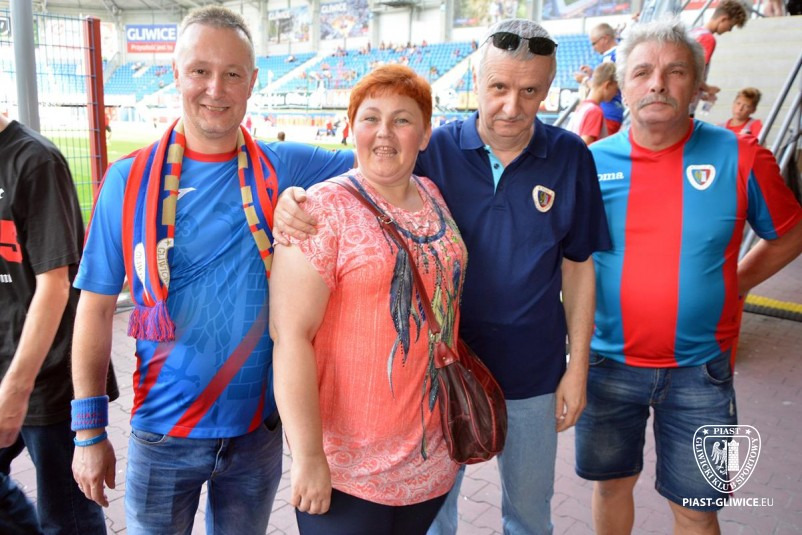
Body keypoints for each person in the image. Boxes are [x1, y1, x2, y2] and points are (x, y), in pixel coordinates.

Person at [274, 19, 611, 535]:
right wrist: (290, 199)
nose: (511, 106)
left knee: (528, 517)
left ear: (550, 87)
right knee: (436, 522)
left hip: (532, 373)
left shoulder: (571, 157)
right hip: (435, 385)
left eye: (529, 91)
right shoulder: (436, 149)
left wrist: (578, 367)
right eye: (498, 87)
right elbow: (366, 166)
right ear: (476, 83)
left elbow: (579, 265)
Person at [69, 6, 353, 535]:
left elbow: (385, 157)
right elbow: (95, 307)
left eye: (232, 74)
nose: (215, 89)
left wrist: (299, 194)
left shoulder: (285, 167)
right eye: (200, 70)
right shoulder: (127, 181)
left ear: (253, 82)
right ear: (175, 73)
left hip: (258, 433)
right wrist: (88, 431)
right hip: (162, 435)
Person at [576, 19, 802, 535]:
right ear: (624, 84)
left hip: (702, 371)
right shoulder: (589, 163)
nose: (657, 83)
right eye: (642, 72)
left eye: (675, 71)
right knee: (610, 487)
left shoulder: (741, 156)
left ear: (698, 85)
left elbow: (790, 233)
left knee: (698, 510)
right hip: (607, 365)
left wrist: (738, 283)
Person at [270, 64, 464, 534]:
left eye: (402, 120)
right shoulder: (321, 209)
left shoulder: (433, 194)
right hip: (348, 469)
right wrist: (308, 456)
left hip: (431, 458)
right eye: (371, 118)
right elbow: (290, 336)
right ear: (350, 128)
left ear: (425, 134)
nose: (384, 133)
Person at [0, 113, 118, 535]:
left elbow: (55, 285)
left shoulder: (35, 160)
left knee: (69, 518)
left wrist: (16, 390)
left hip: (46, 375)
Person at [688, 0, 748, 112]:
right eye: (730, 25)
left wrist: (702, 94)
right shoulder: (708, 39)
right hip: (686, 107)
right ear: (723, 19)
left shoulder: (694, 32)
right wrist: (708, 88)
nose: (729, 30)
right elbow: (694, 73)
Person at [574, 23, 625, 135]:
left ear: (605, 39)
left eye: (594, 43)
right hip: (612, 111)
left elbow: (602, 87)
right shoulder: (617, 54)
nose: (593, 48)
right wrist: (593, 74)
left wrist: (584, 80)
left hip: (608, 113)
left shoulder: (611, 56)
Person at [567, 62, 618, 145]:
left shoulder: (582, 107)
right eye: (616, 89)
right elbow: (584, 146)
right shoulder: (595, 111)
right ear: (607, 85)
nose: (616, 94)